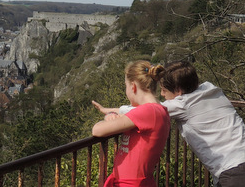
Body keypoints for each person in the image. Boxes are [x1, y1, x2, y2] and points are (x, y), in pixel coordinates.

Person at [93, 60, 245, 187]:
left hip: (233, 170)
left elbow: (143, 110)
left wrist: (109, 111)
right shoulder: (210, 88)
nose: (162, 95)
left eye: (164, 90)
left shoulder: (182, 105)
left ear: (178, 91)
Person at [92, 60, 170, 187]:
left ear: (133, 86)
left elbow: (97, 130)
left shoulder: (148, 111)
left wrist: (109, 117)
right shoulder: (157, 110)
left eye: (126, 86)